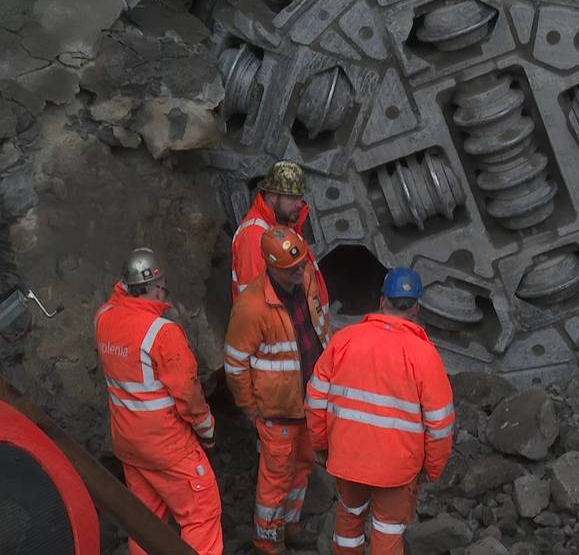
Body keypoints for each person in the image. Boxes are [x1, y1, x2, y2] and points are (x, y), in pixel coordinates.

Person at [305, 267, 455, 555]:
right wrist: (432, 469)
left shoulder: (344, 340)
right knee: (387, 532)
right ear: (416, 308)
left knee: (348, 521)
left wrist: (322, 446)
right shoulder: (424, 355)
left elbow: (315, 400)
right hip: (396, 468)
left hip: (348, 458)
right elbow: (440, 424)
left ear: (382, 301)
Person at [94, 248, 222, 555]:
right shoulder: (162, 334)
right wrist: (207, 431)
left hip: (129, 444)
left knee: (145, 522)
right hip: (168, 447)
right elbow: (188, 396)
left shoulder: (103, 318)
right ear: (157, 287)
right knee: (202, 513)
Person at [224, 225, 332, 554]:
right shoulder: (252, 307)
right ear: (271, 267)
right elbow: (235, 364)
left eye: (301, 265)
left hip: (309, 403)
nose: (301, 272)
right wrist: (251, 408)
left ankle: (291, 525)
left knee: (302, 467)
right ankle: (268, 542)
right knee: (275, 479)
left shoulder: (307, 278)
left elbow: (320, 327)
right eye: (292, 269)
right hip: (277, 412)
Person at [231, 160, 328, 302]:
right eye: (292, 198)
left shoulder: (283, 226)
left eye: (301, 197)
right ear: (272, 196)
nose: (299, 204)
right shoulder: (254, 237)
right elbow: (256, 303)